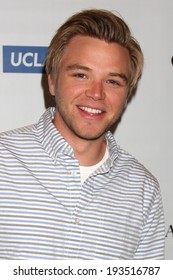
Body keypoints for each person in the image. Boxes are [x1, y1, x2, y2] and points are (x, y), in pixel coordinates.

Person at [0, 9, 165, 259]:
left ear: (127, 94)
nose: (96, 93)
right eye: (81, 75)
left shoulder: (143, 190)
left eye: (113, 81)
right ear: (53, 80)